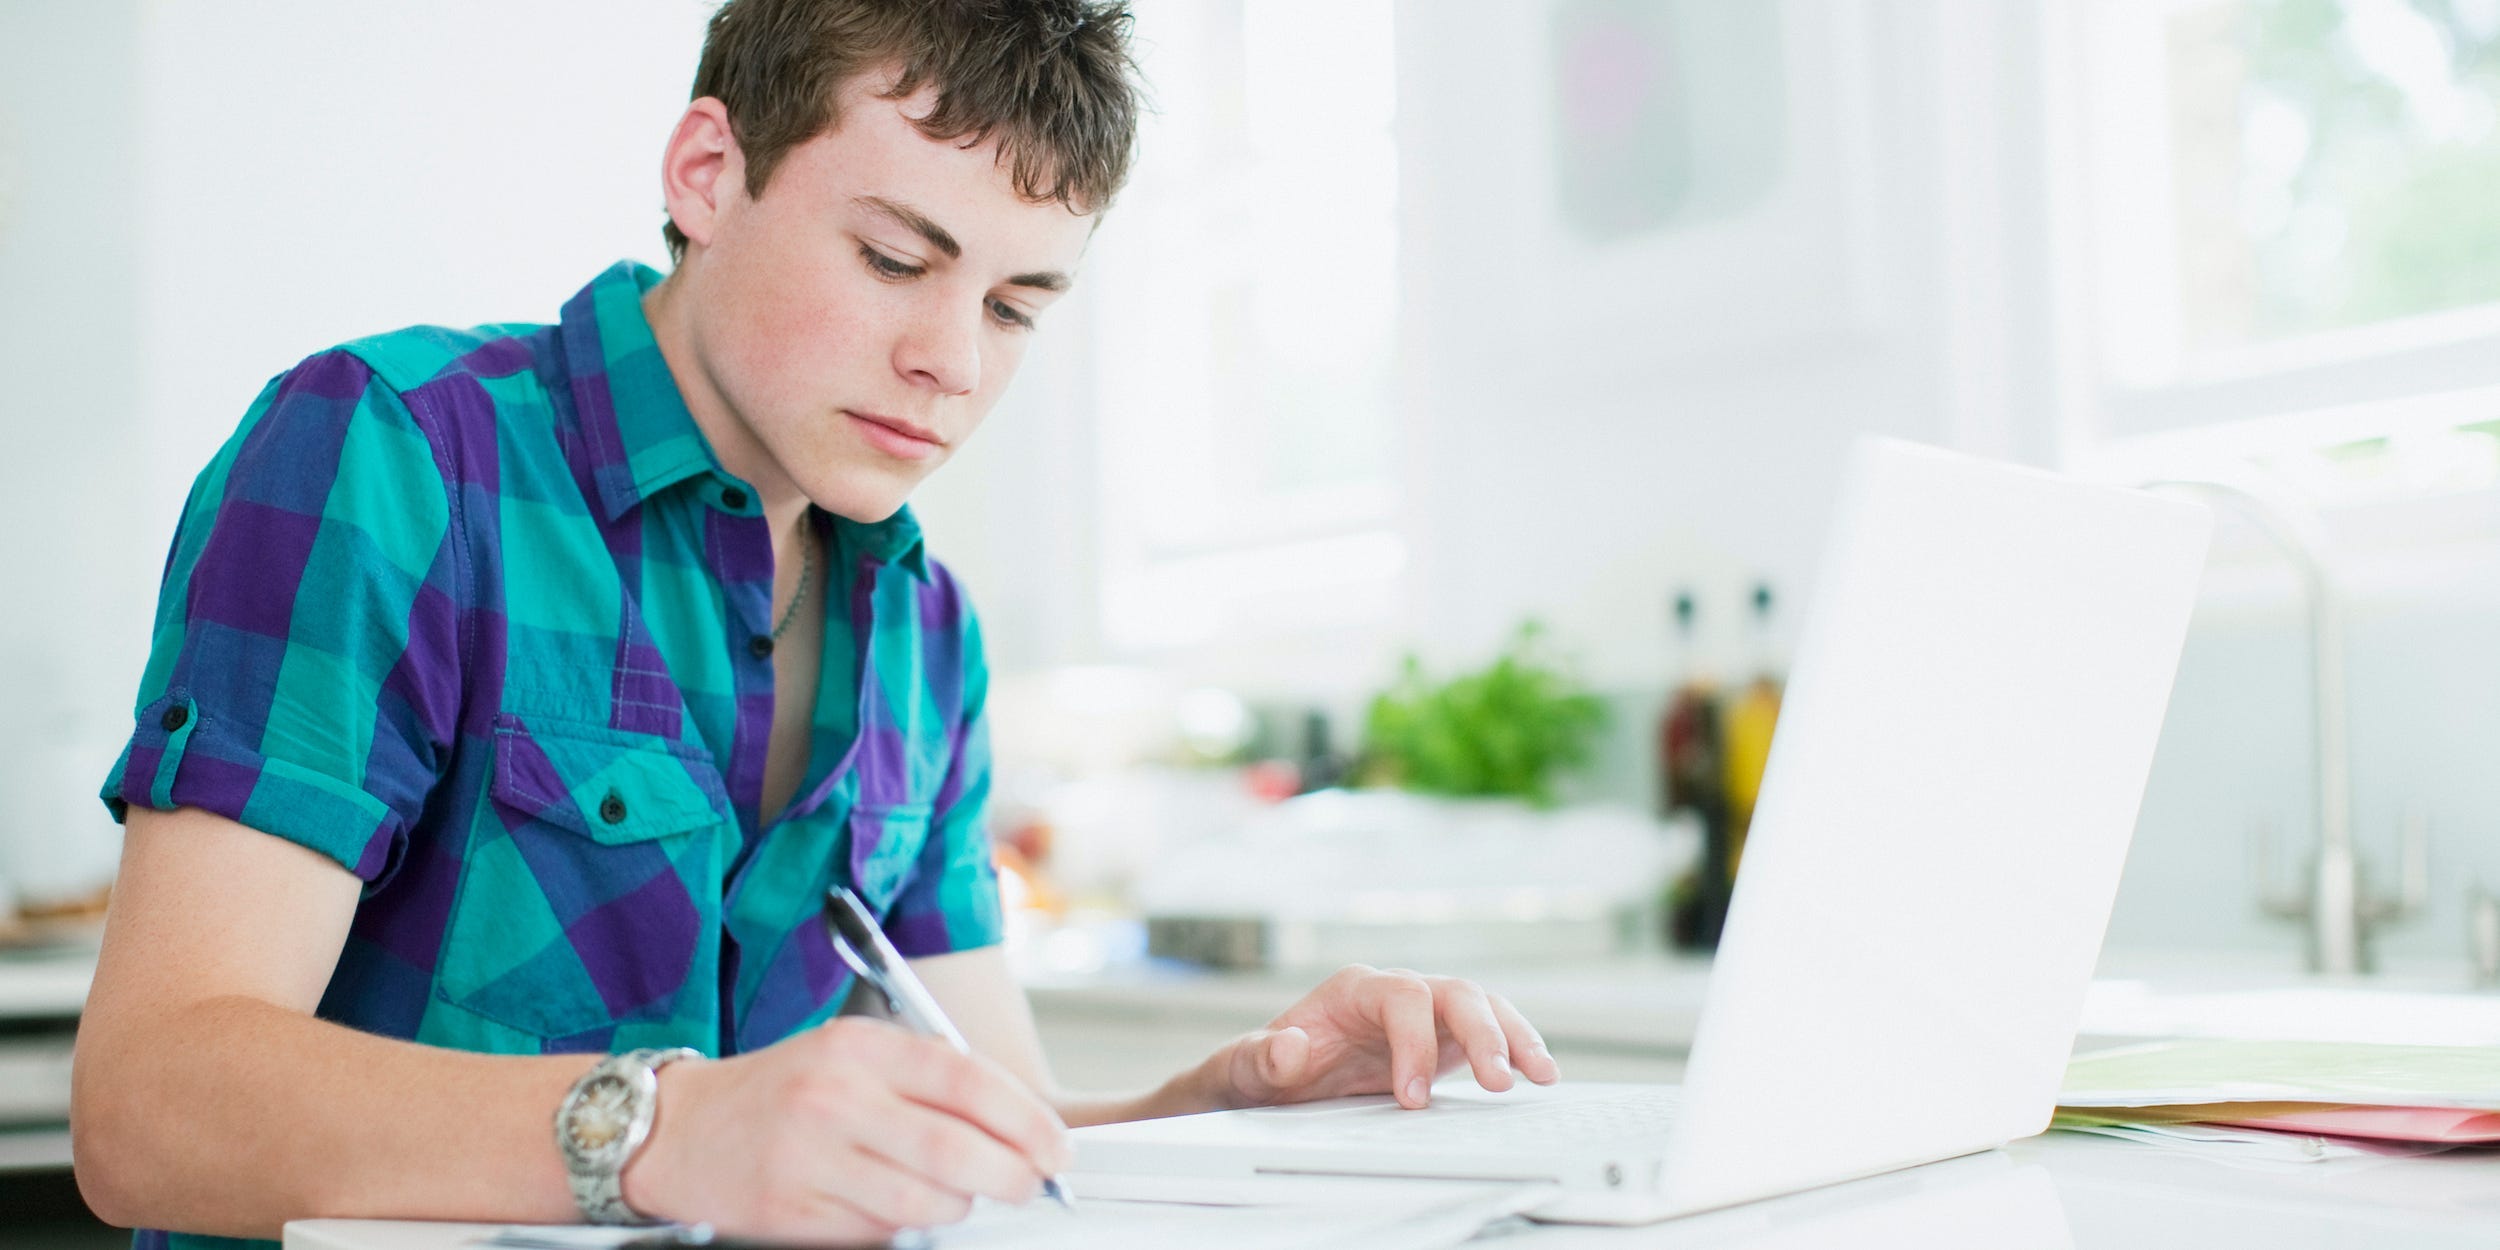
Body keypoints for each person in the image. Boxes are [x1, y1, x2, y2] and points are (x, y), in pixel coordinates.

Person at [69, 2, 1561, 1246]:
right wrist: (667, 1125)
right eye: (897, 260)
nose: (950, 362)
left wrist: (1226, 1108)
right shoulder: (391, 457)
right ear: (710, 173)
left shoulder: (925, 631)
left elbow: (983, 1138)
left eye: (1018, 305)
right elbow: (150, 1107)